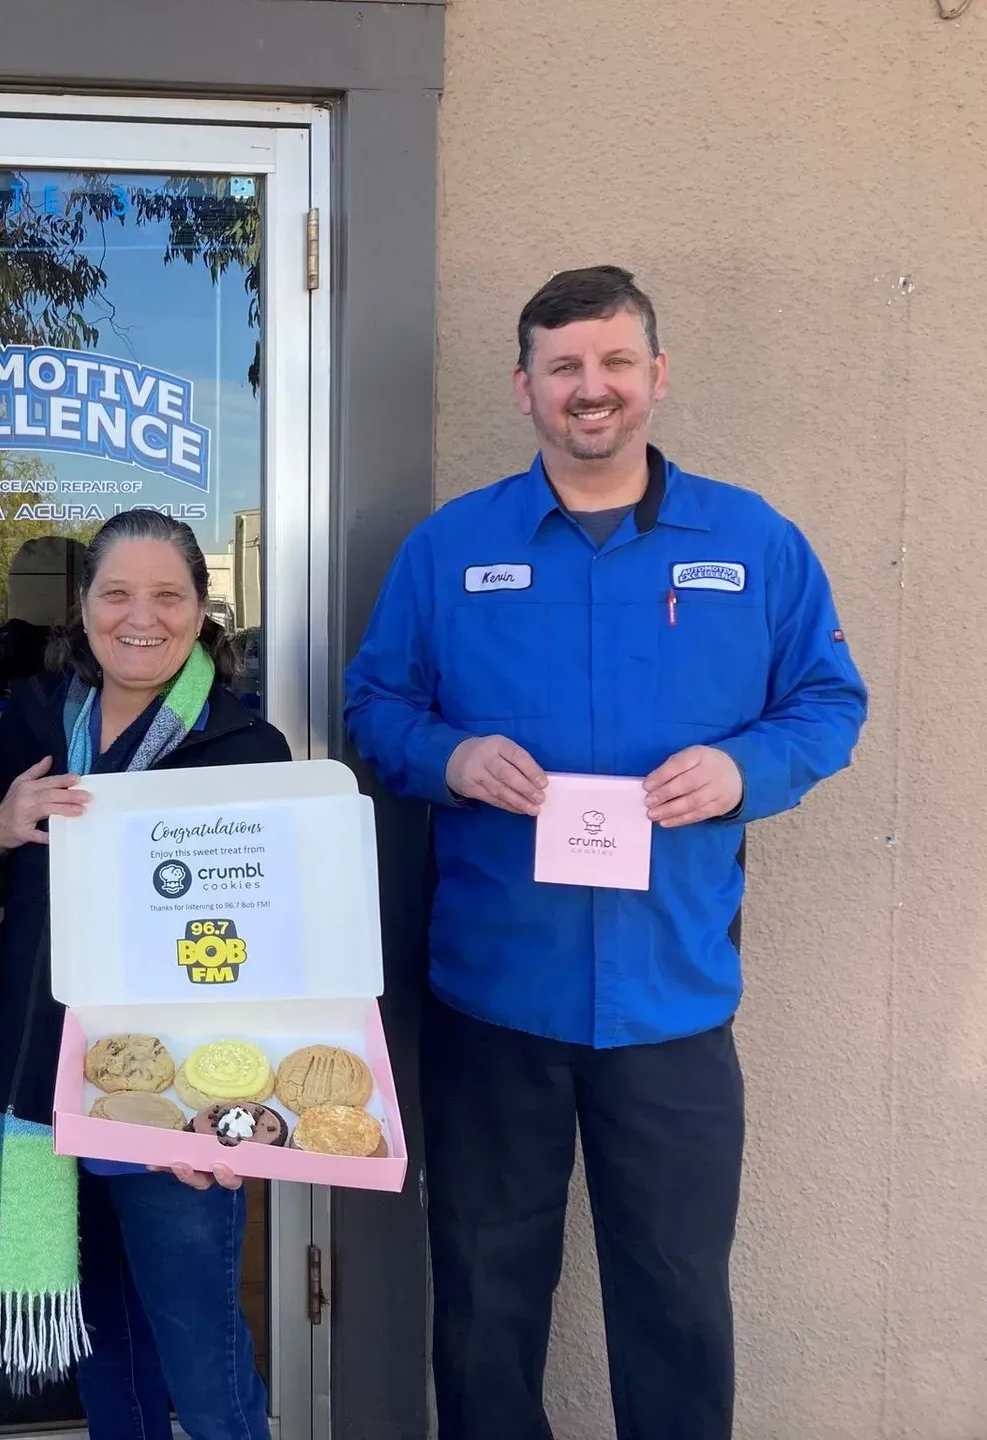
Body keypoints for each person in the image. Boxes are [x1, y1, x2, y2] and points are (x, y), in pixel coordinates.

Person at [345, 266, 868, 1440]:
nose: (594, 390)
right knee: (483, 1301)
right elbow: (374, 705)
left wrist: (746, 771)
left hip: (672, 1005)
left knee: (677, 1303)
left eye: (616, 363)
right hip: (494, 1000)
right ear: (524, 388)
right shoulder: (451, 549)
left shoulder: (754, 542)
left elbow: (828, 704)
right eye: (566, 367)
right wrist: (451, 759)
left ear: (657, 377)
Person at [0, 508, 291, 1440]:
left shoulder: (244, 749)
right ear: (83, 606)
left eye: (167, 595)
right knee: (106, 1347)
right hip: (41, 1085)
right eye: (116, 593)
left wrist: (229, 1110)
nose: (139, 617)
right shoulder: (35, 715)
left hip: (177, 1102)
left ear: (201, 612)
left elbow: (273, 956)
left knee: (201, 1351)